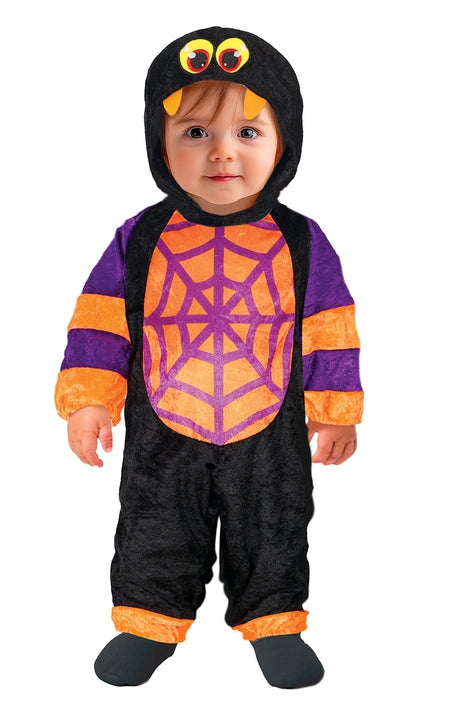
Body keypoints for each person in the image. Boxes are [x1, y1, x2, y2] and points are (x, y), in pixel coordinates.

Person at [55, 26, 363, 689]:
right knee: (155, 520)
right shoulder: (140, 236)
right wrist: (89, 400)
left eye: (247, 132)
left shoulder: (301, 240)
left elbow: (330, 326)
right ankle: (147, 621)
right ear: (160, 143)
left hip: (271, 418)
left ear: (284, 142)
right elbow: (99, 322)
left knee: (275, 520)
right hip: (162, 417)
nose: (222, 151)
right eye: (195, 132)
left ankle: (275, 621)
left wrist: (336, 410)